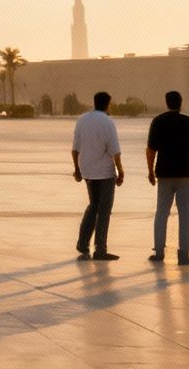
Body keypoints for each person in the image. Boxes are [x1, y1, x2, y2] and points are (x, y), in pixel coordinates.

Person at [144, 91, 189, 265]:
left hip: (165, 174)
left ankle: (159, 252)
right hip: (186, 173)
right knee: (185, 213)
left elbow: (151, 150)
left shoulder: (158, 121)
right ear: (181, 103)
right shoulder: (188, 122)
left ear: (167, 102)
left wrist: (150, 171)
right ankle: (183, 254)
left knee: (162, 212)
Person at [71, 90, 124, 261]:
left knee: (93, 205)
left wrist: (77, 169)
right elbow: (115, 152)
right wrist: (120, 171)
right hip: (104, 173)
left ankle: (82, 243)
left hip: (87, 171)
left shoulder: (82, 120)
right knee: (104, 210)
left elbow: (75, 149)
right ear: (108, 104)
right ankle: (100, 249)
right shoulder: (108, 122)